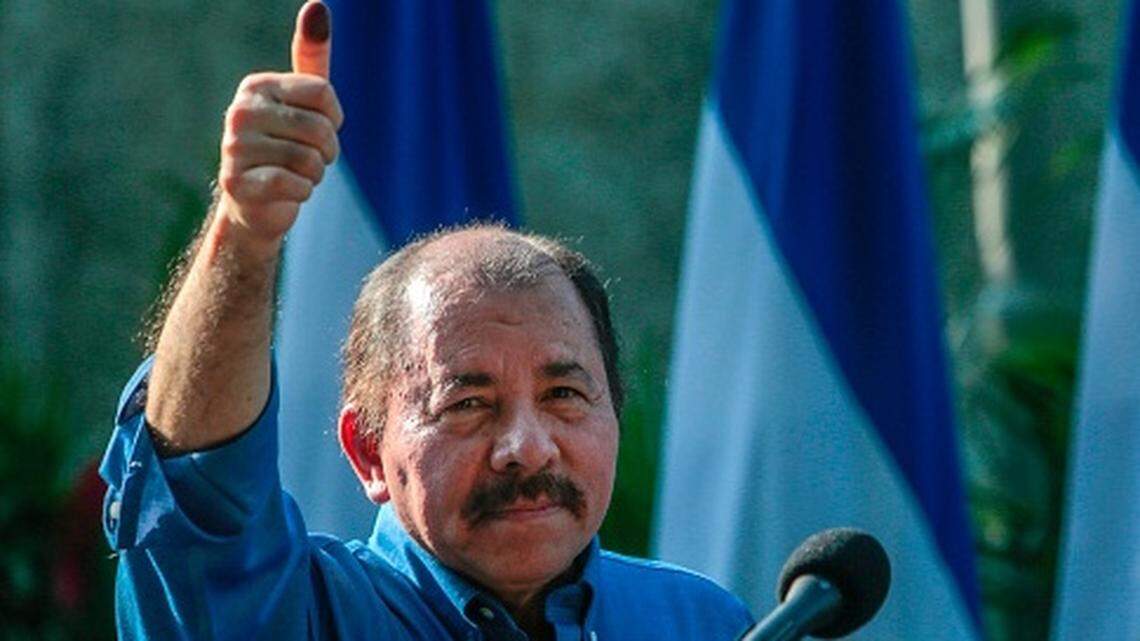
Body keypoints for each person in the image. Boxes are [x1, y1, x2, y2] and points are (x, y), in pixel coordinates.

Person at [100, 2, 753, 639]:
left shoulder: (703, 621)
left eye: (563, 395)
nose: (526, 446)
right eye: (468, 403)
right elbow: (199, 498)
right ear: (367, 452)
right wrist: (244, 231)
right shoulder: (309, 614)